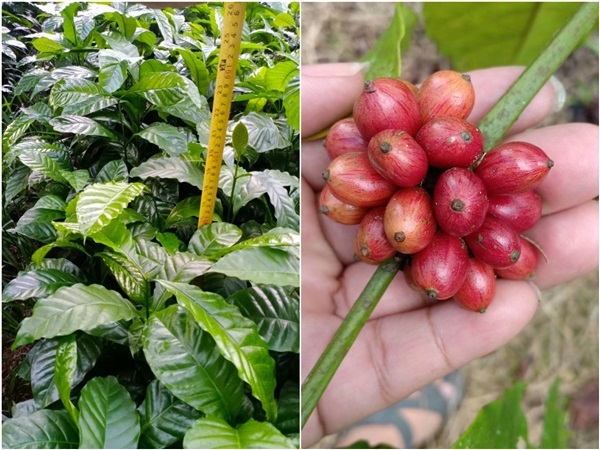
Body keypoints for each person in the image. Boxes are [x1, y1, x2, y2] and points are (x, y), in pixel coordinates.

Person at [301, 63, 599, 448]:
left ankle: (373, 434)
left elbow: (486, 210)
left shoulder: (455, 198)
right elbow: (356, 156)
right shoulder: (389, 172)